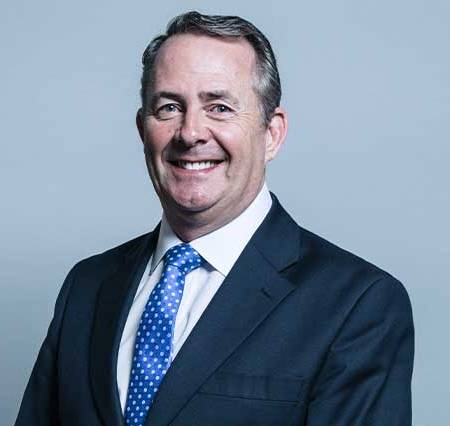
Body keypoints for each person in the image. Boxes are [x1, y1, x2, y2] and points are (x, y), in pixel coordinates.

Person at [15, 11, 414, 426]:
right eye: (169, 107)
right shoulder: (87, 286)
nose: (190, 133)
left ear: (272, 133)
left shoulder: (357, 304)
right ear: (142, 129)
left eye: (219, 107)